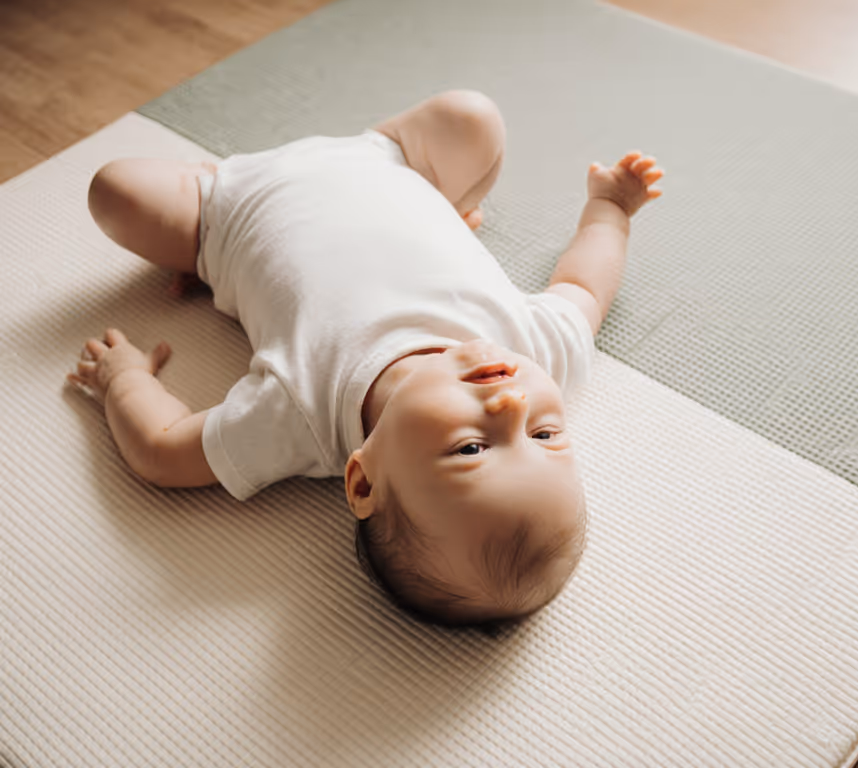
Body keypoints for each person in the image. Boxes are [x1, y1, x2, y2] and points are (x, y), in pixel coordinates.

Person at [70, 90, 664, 628]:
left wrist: (122, 379)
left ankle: (200, 202)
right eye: (544, 432)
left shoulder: (299, 417)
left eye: (472, 448)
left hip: (228, 210)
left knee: (115, 191)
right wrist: (610, 208)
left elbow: (161, 449)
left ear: (362, 478)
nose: (510, 403)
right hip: (389, 163)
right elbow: (585, 288)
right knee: (470, 117)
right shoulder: (535, 347)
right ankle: (449, 201)